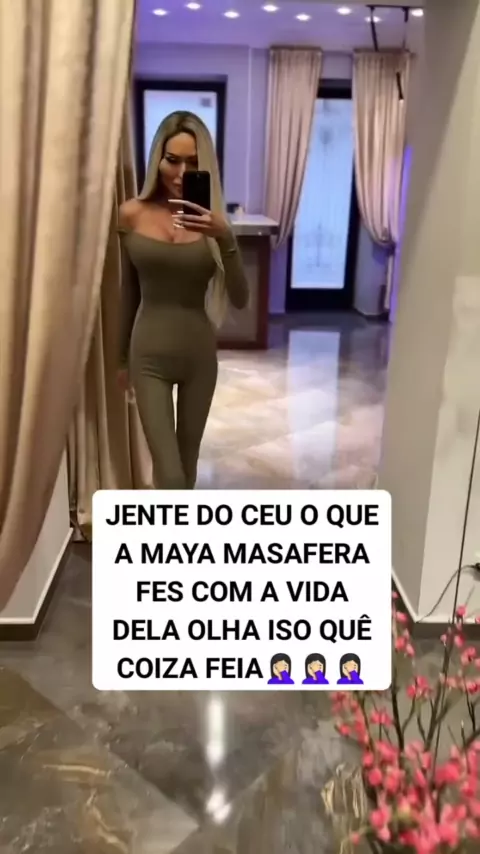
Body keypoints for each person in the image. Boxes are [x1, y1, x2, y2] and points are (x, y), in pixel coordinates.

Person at [117, 111, 248, 489]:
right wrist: (121, 359)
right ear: (157, 159)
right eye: (172, 160)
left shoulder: (214, 223)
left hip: (199, 359)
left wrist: (225, 237)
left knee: (187, 469)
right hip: (148, 359)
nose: (179, 173)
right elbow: (128, 291)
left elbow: (241, 298)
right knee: (170, 474)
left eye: (192, 163)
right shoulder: (131, 214)